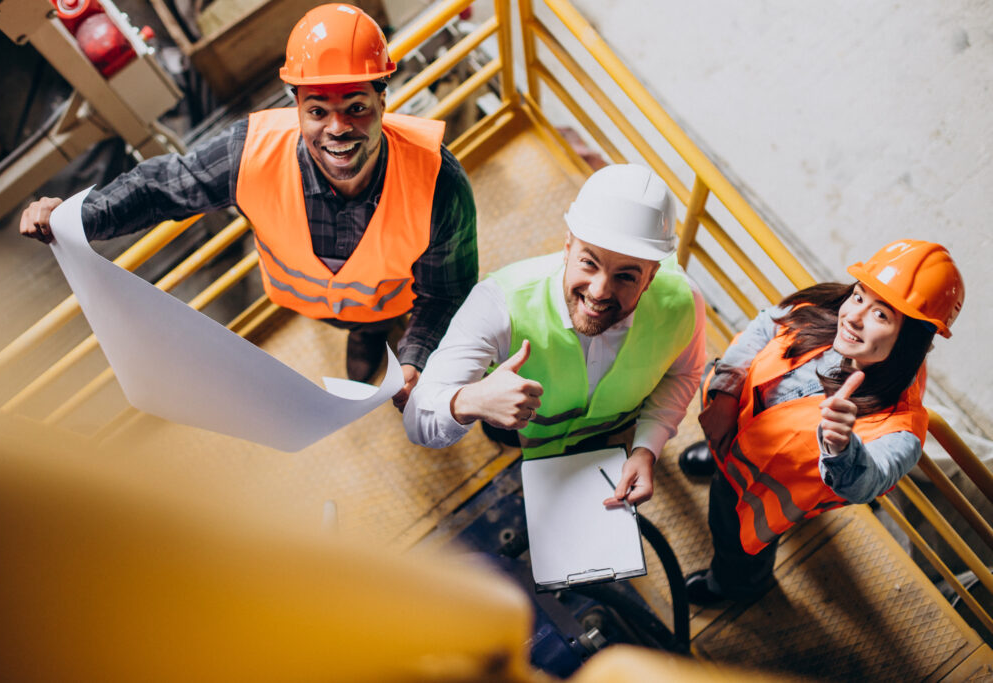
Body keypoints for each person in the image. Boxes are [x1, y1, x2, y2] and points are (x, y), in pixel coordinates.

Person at [18, 3, 478, 409]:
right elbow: (163, 187)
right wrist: (81, 215)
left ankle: (373, 335)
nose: (337, 128)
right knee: (353, 332)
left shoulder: (438, 183)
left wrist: (416, 357)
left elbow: (443, 293)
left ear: (382, 99)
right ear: (295, 105)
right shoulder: (249, 154)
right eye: (318, 110)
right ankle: (360, 337)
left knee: (377, 326)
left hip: (386, 301)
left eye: (356, 107)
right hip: (315, 303)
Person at [679, 239, 965, 605]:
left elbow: (867, 482)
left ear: (912, 340)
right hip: (734, 436)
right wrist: (727, 393)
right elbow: (766, 325)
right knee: (725, 479)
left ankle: (738, 584)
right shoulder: (823, 310)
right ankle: (723, 461)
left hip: (757, 494)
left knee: (735, 534)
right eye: (860, 297)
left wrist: (840, 446)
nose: (854, 317)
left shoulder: (901, 428)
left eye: (882, 315)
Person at [404, 164, 706, 508]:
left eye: (626, 276)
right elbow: (418, 417)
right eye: (589, 263)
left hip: (612, 429)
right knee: (501, 432)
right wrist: (472, 401)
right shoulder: (499, 303)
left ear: (651, 278)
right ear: (567, 247)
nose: (599, 293)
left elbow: (682, 374)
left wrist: (646, 447)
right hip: (517, 428)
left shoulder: (684, 303)